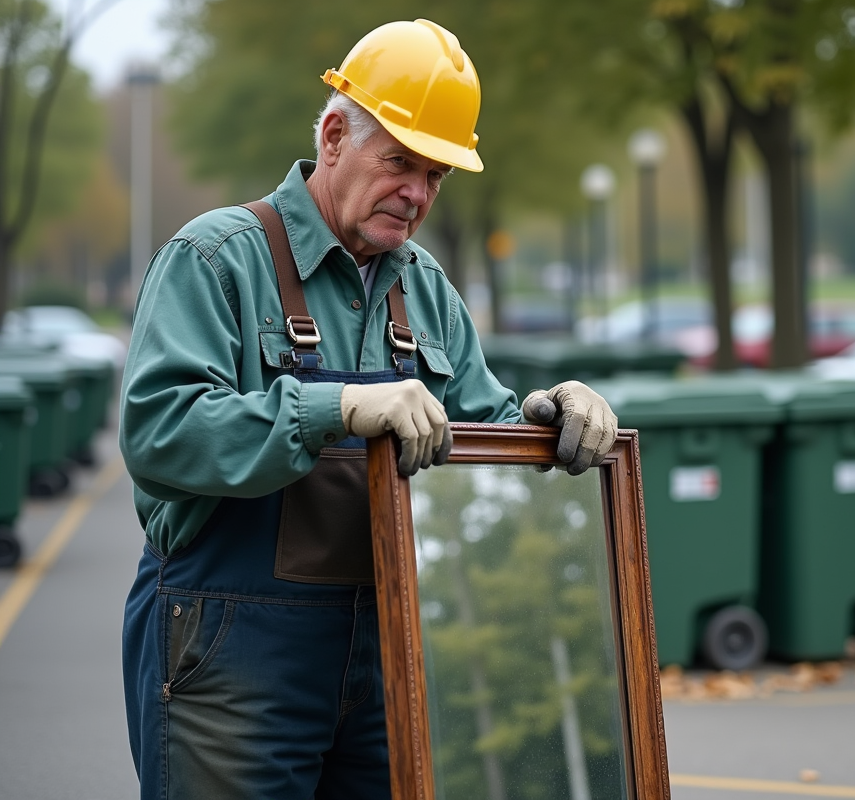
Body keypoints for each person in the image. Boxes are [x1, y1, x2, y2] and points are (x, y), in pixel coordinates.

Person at [119, 19, 617, 800]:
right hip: (232, 656)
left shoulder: (427, 291)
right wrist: (334, 407)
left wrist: (553, 417)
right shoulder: (215, 259)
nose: (417, 193)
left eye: (436, 175)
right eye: (400, 163)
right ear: (332, 135)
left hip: (397, 657)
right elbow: (161, 432)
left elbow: (483, 445)